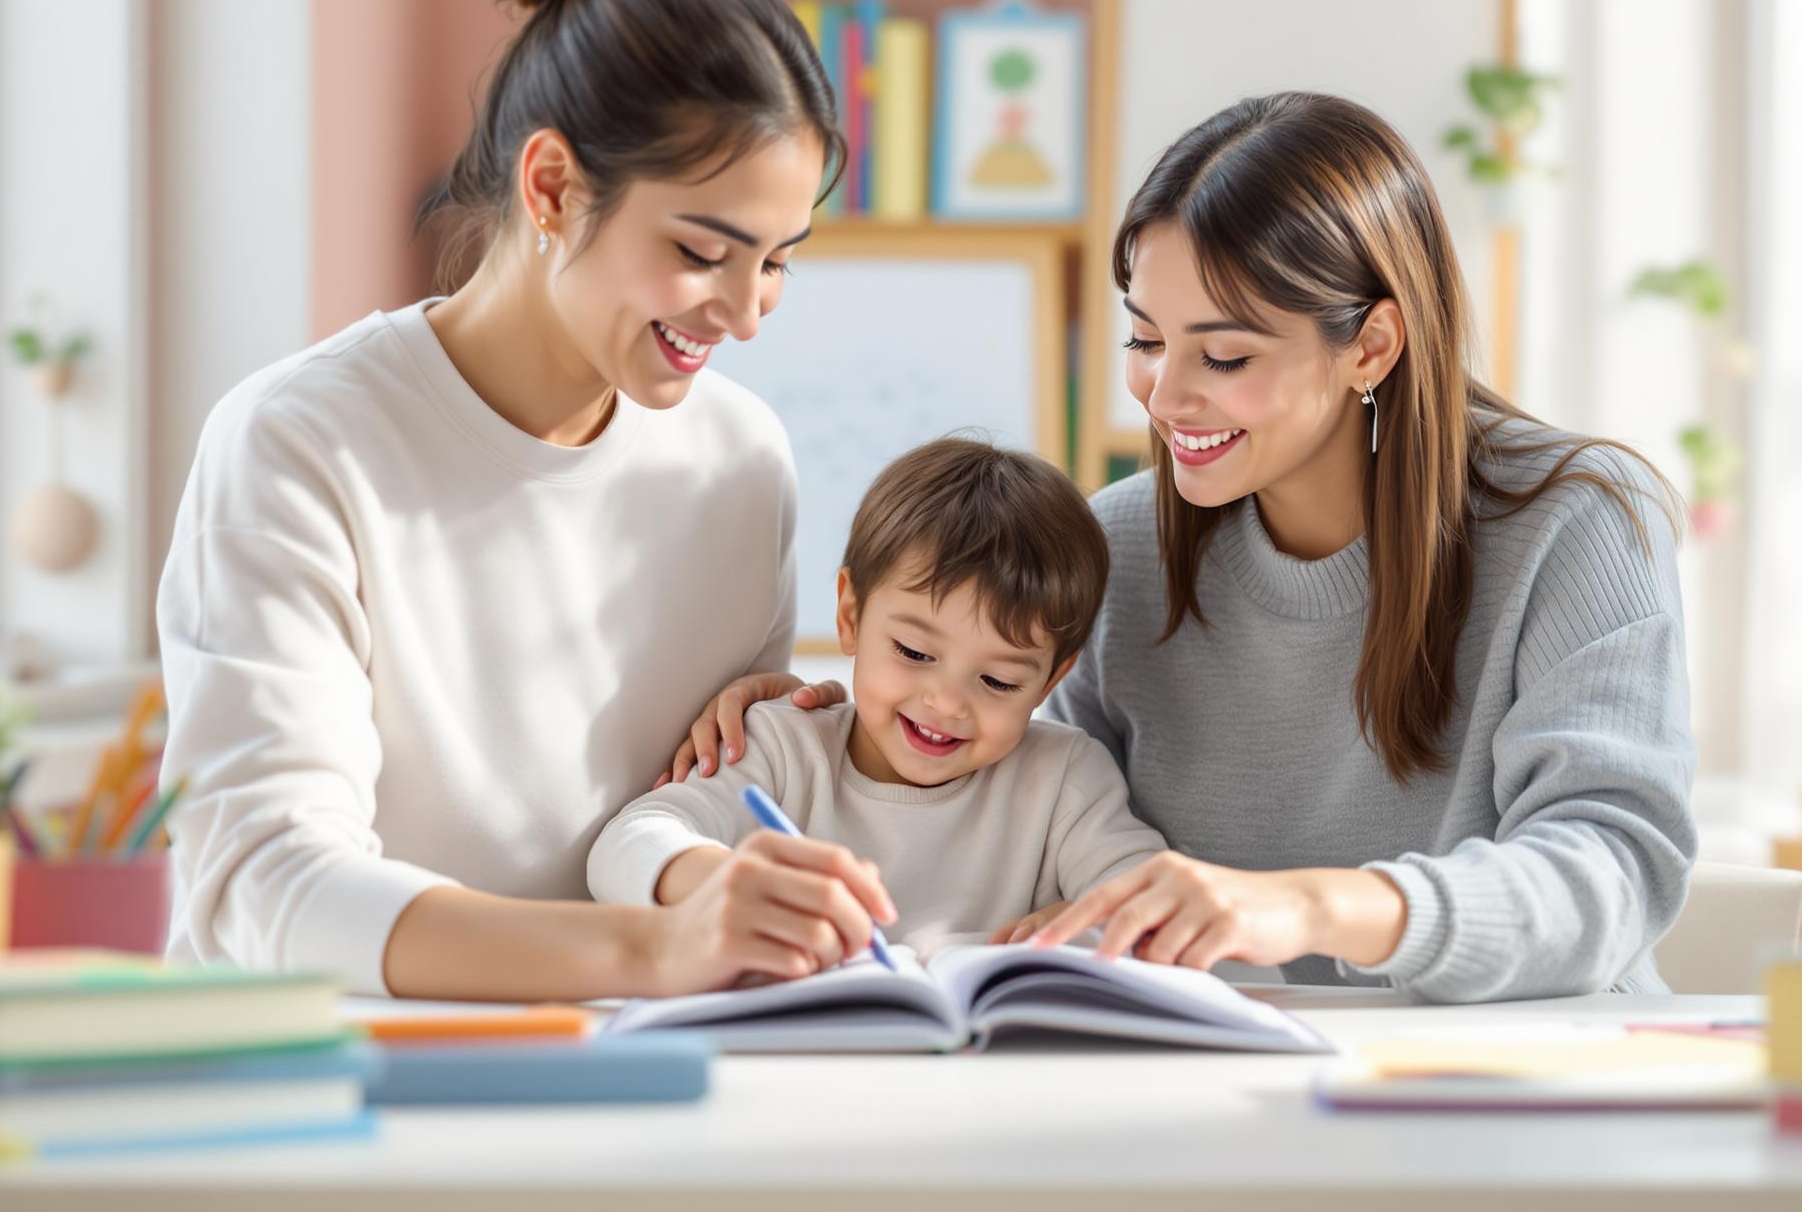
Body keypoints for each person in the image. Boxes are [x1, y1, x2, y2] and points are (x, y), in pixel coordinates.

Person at [671, 92, 1699, 1003]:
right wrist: (813, 715)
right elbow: (1010, 790)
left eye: (1223, 354)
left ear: (1371, 346)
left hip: (1527, 1083)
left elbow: (1609, 872)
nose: (1165, 397)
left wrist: (1306, 910)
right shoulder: (1118, 546)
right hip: (1222, 1082)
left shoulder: (1574, 521)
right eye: (1145, 339)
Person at [156, 0, 886, 1000]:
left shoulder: (737, 459)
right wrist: (655, 953)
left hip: (628, 1078)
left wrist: (812, 766)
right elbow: (265, 884)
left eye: (778, 260)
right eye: (703, 251)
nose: (746, 315)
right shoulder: (301, 443)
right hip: (329, 1088)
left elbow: (692, 824)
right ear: (550, 187)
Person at [590, 437, 1163, 965]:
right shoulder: (782, 746)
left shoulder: (1065, 777)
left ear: (1051, 680)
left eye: (998, 682)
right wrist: (714, 877)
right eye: (914, 652)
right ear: (851, 616)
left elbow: (1150, 895)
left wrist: (1095, 919)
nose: (945, 703)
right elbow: (627, 844)